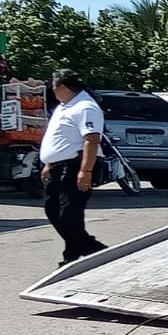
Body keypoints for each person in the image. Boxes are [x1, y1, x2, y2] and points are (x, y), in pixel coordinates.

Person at [39, 68, 108, 266]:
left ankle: (72, 256)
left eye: (53, 87)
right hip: (57, 167)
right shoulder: (64, 106)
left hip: (75, 165)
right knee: (52, 210)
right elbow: (61, 138)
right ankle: (92, 249)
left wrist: (85, 171)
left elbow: (91, 139)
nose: (52, 91)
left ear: (62, 86)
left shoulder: (85, 106)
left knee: (69, 213)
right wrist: (49, 163)